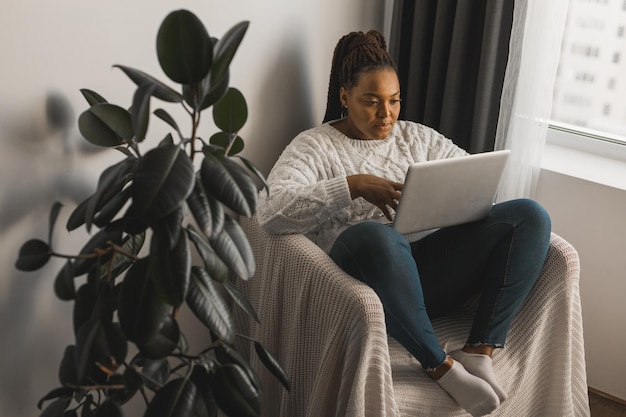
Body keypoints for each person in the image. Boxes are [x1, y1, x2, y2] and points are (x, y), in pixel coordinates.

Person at [256, 30, 551, 417]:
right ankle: (439, 365)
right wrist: (352, 186)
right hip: (367, 280)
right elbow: (272, 213)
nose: (386, 114)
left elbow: (479, 188)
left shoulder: (417, 139)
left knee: (530, 215)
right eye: (372, 102)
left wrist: (447, 204)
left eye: (394, 101)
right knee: (377, 236)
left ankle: (479, 351)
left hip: (428, 278)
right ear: (345, 97)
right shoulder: (313, 146)